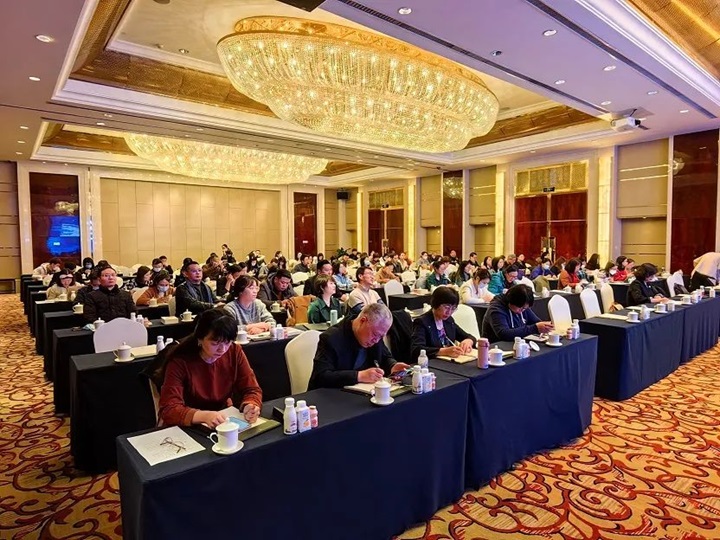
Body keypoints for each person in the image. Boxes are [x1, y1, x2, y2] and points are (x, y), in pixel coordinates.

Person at [158, 309, 262, 427]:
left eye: (227, 342)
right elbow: (169, 409)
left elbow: (252, 389)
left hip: (222, 417)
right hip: (188, 423)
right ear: (200, 339)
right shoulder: (180, 361)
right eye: (215, 343)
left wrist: (251, 404)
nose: (222, 349)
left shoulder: (234, 351)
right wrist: (204, 416)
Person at [308, 303, 409, 389]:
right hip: (332, 396)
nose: (377, 340)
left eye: (381, 336)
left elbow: (384, 357)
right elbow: (321, 377)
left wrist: (392, 366)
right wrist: (359, 376)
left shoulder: (375, 333)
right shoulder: (331, 338)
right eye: (375, 334)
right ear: (363, 320)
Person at [411, 286, 476, 361]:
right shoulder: (422, 322)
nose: (449, 312)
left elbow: (469, 336)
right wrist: (444, 351)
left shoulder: (448, 321)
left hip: (450, 362)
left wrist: (468, 341)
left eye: (453, 308)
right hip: (431, 363)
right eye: (446, 307)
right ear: (436, 303)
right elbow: (416, 349)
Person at [481, 285, 554, 342]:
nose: (522, 311)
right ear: (511, 301)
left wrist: (546, 327)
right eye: (521, 308)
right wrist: (534, 328)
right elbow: (504, 334)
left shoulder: (522, 305)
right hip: (495, 348)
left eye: (525, 308)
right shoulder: (496, 309)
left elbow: (536, 322)